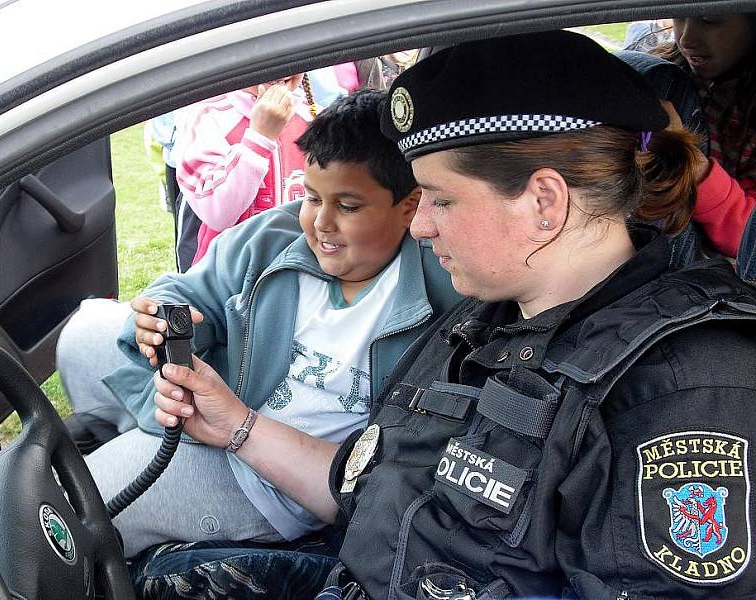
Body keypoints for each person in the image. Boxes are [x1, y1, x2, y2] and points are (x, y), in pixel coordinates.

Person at [150, 31, 756, 599]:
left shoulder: (683, 388)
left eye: (440, 199)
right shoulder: (484, 320)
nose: (420, 225)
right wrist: (236, 424)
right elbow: (365, 489)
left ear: (544, 201)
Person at [57, 89, 462, 559]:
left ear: (410, 207)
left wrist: (235, 425)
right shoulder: (273, 236)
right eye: (312, 197)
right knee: (82, 334)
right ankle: (142, 448)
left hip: (274, 484)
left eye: (348, 207)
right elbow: (188, 292)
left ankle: (129, 514)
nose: (321, 223)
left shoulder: (445, 282)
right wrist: (164, 321)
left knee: (76, 506)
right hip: (225, 403)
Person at [652, 14, 756, 280]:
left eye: (709, 20)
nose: (686, 38)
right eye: (678, 18)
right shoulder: (664, 72)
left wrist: (690, 163)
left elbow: (749, 239)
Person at [172, 74, 312, 269]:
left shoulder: (312, 117)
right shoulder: (208, 116)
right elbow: (217, 213)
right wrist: (259, 138)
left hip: (297, 272)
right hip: (228, 278)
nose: (280, 70)